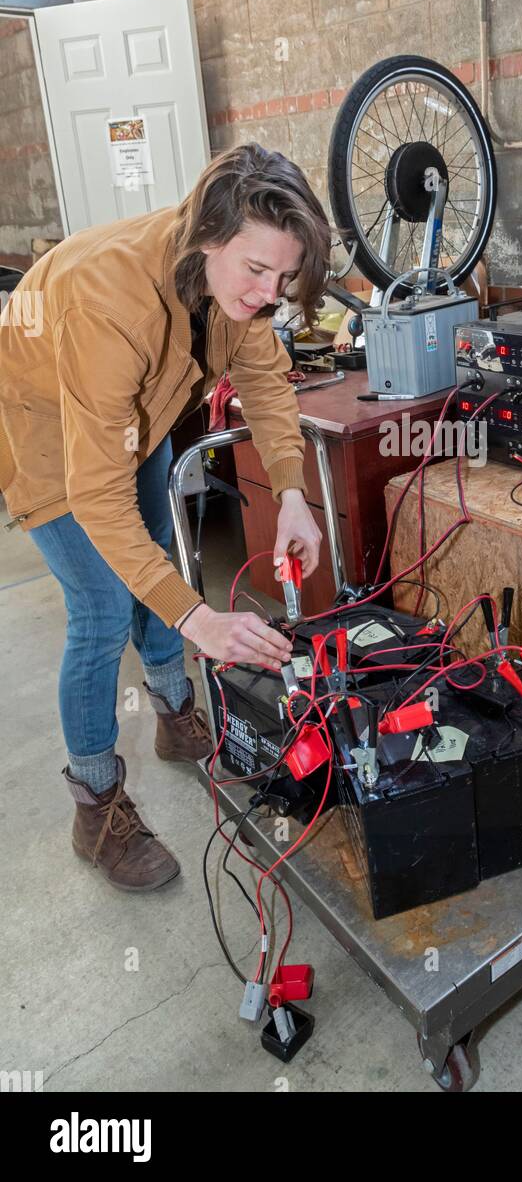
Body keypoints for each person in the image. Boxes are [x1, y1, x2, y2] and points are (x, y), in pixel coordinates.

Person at [0, 143, 330, 892]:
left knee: (164, 561)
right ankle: (97, 806)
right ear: (210, 235)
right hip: (50, 434)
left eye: (283, 277)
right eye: (257, 271)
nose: (268, 291)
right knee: (103, 606)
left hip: (134, 412)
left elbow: (265, 379)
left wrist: (291, 494)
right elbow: (97, 498)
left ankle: (176, 717)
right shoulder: (107, 301)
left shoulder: (238, 279)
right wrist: (201, 623)